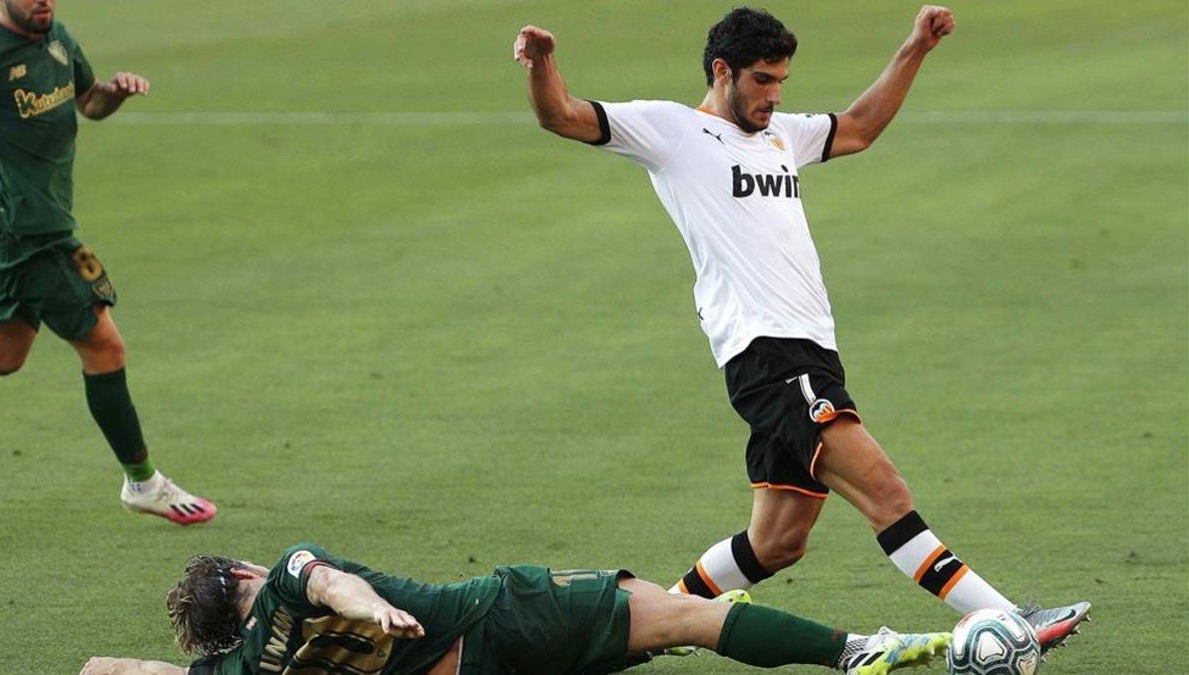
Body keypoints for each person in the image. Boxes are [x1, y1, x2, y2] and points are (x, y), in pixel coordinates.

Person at [513, 5, 1089, 652]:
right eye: (762, 80)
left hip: (813, 350)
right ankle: (1014, 619)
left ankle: (650, 622)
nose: (775, 95)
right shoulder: (671, 131)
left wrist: (914, 47)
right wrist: (543, 63)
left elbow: (863, 127)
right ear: (722, 71)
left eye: (782, 79)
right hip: (768, 354)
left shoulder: (784, 132)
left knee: (777, 540)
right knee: (885, 489)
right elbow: (558, 113)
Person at [0, 0, 214, 524]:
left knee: (4, 355)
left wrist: (112, 93)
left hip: (26, 222)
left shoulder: (56, 38)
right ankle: (144, 482)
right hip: (33, 230)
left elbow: (88, 101)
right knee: (105, 346)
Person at [79, 542, 951, 674]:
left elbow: (109, 669)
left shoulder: (234, 668)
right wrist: (375, 605)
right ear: (240, 572)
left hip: (488, 666)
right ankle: (859, 650)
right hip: (502, 614)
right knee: (684, 615)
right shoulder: (282, 577)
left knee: (651, 622)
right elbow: (330, 586)